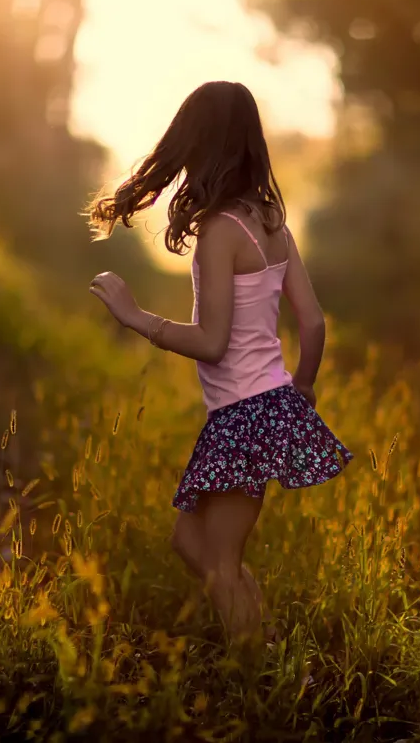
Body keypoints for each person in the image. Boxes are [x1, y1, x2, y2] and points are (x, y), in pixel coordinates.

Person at [84, 80, 353, 643]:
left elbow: (212, 343)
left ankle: (262, 675)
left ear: (199, 146)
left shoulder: (218, 233)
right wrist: (300, 388)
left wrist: (137, 318)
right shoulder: (271, 218)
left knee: (222, 563)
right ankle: (270, 645)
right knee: (191, 543)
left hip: (243, 415)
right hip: (262, 406)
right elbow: (314, 322)